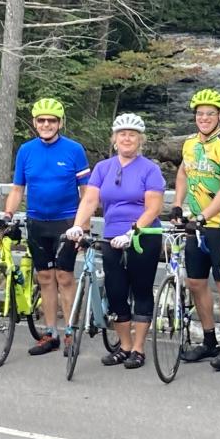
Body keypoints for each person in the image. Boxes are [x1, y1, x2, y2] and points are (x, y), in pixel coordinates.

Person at [71, 113, 166, 369]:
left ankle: (138, 347)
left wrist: (133, 231)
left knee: (142, 288)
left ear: (140, 140)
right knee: (116, 291)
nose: (127, 138)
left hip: (143, 236)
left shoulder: (150, 169)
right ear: (114, 139)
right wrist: (77, 226)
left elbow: (154, 207)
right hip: (112, 236)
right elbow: (90, 200)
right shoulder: (103, 168)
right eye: (122, 134)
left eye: (132, 135)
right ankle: (124, 345)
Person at [2, 98, 90, 356]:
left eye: (51, 120)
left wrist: (82, 225)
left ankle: (71, 330)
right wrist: (8, 213)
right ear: (34, 123)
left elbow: (86, 192)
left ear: (60, 123)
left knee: (64, 276)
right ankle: (50, 332)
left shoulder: (74, 150)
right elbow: (18, 189)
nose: (46, 124)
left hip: (66, 222)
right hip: (37, 221)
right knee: (45, 278)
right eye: (41, 120)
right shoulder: (26, 150)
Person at [173, 88, 220, 372]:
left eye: (210, 114)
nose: (204, 118)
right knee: (195, 283)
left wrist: (203, 216)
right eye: (200, 114)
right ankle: (209, 341)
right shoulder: (190, 143)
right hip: (196, 224)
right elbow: (182, 172)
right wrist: (178, 204)